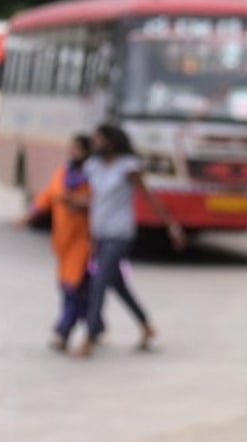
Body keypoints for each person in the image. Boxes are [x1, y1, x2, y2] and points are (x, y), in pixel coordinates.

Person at [75, 124, 187, 357]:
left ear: (111, 142)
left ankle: (89, 337)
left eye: (98, 140)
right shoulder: (93, 166)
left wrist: (172, 226)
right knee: (116, 284)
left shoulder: (127, 168)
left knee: (99, 282)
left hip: (119, 234)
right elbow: (93, 197)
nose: (94, 144)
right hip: (99, 233)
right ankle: (146, 326)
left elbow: (149, 197)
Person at [18, 135, 94, 351]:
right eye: (71, 148)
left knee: (72, 286)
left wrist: (77, 202)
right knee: (73, 287)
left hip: (83, 240)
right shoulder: (64, 172)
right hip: (63, 241)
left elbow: (100, 202)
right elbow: (47, 196)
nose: (73, 153)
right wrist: (29, 216)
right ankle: (94, 323)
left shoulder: (93, 174)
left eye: (77, 149)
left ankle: (64, 330)